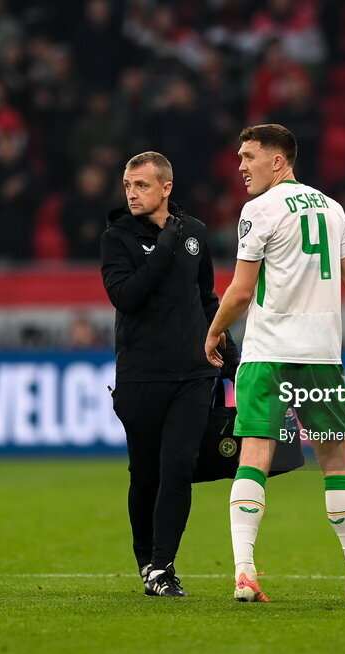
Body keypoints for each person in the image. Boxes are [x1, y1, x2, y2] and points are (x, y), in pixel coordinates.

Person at [203, 124, 345, 602]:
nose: (241, 166)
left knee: (254, 454)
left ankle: (245, 572)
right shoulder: (332, 209)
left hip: (267, 353)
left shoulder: (259, 210)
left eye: (249, 156)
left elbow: (242, 291)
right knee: (335, 460)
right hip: (321, 355)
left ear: (279, 160)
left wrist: (212, 330)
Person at [101, 151, 238, 597]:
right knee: (145, 474)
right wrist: (163, 249)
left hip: (193, 373)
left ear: (166, 188)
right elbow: (126, 296)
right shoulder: (117, 237)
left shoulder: (195, 233)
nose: (131, 193)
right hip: (141, 374)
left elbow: (205, 296)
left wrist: (226, 344)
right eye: (127, 185)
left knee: (178, 466)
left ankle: (162, 567)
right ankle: (146, 560)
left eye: (140, 185)